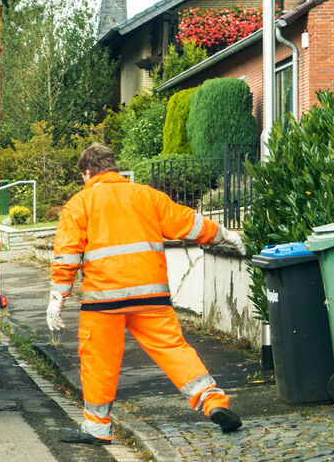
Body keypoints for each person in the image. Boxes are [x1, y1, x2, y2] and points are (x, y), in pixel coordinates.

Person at [49, 143, 247, 445]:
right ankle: (213, 402)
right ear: (114, 168)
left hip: (104, 302)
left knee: (98, 362)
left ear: (88, 173)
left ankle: (97, 428)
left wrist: (57, 300)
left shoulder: (80, 204)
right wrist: (227, 235)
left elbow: (67, 256)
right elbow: (189, 224)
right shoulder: (147, 196)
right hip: (151, 298)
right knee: (174, 350)